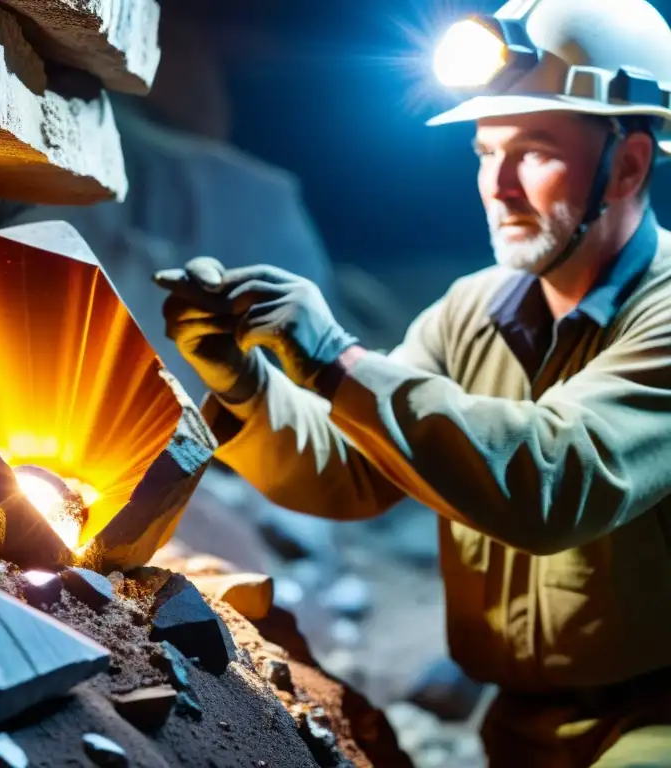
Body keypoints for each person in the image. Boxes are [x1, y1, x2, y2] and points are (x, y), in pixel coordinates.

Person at [154, 0, 671, 765]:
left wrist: (336, 358)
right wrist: (247, 386)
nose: (498, 184)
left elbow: (556, 478)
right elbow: (354, 468)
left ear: (627, 163)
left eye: (532, 151)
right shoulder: (473, 310)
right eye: (483, 150)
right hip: (518, 722)